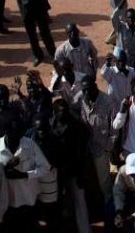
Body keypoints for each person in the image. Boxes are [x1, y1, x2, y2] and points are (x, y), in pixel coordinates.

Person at [0, 117, 51, 232]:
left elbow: (45, 168)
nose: (18, 134)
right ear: (6, 131)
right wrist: (5, 169)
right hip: (6, 202)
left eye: (19, 131)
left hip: (28, 199)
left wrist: (25, 175)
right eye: (13, 130)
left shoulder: (30, 144)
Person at [51, 99, 91, 233]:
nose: (64, 114)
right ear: (54, 112)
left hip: (74, 169)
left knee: (80, 201)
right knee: (58, 202)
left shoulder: (76, 126)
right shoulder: (51, 125)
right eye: (61, 112)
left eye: (66, 111)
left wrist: (80, 173)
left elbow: (81, 151)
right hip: (57, 170)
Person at [77, 76, 116, 204]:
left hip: (102, 149)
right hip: (89, 147)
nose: (86, 93)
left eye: (88, 90)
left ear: (95, 87)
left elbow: (115, 129)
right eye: (83, 91)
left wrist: (108, 148)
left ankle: (109, 202)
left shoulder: (108, 102)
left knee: (103, 181)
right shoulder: (84, 101)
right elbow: (84, 120)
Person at [11, 0, 55, 66]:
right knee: (32, 36)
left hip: (40, 9)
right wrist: (22, 11)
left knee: (45, 33)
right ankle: (38, 55)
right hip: (27, 12)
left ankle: (53, 54)